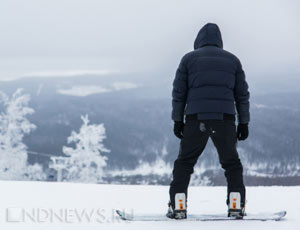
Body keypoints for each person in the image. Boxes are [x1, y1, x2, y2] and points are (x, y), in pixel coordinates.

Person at [167, 23, 250, 219]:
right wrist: (244, 123)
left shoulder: (188, 59)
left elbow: (179, 93)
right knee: (231, 164)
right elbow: (242, 95)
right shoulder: (233, 61)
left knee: (185, 163)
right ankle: (236, 203)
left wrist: (178, 120)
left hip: (196, 120)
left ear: (198, 40)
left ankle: (179, 204)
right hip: (225, 120)